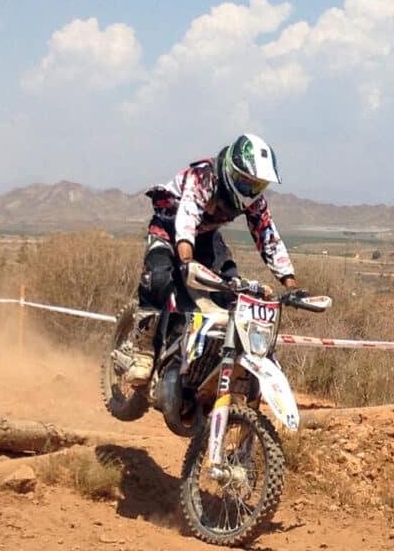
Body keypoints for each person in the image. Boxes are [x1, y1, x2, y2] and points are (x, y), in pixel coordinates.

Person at [126, 133, 305, 385]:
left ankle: (212, 362)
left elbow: (268, 237)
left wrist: (291, 285)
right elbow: (187, 215)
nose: (251, 191)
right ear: (232, 171)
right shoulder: (204, 176)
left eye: (258, 186)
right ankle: (142, 350)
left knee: (232, 289)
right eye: (246, 183)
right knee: (158, 278)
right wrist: (187, 260)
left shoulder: (254, 201)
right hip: (168, 228)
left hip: (206, 237)